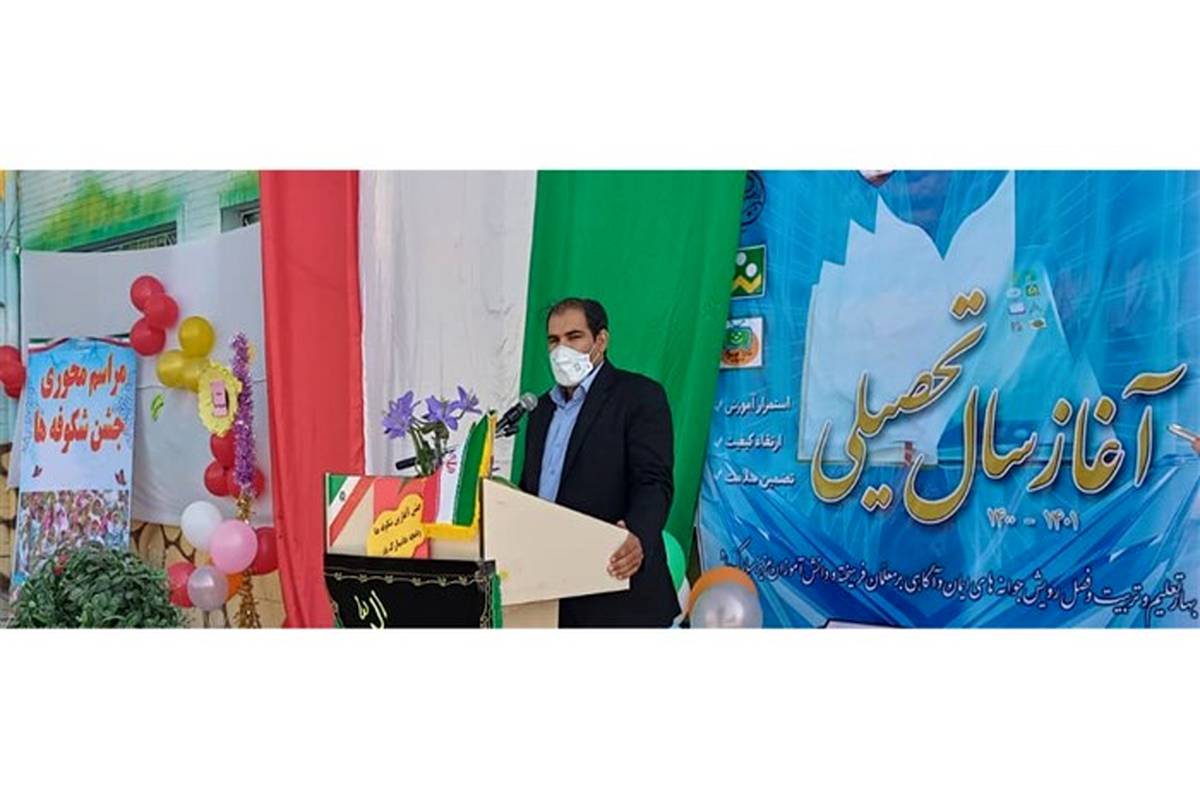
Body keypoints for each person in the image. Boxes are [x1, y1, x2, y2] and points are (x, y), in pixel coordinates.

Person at [518, 298, 680, 627]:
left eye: (574, 337)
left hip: (615, 585)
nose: (561, 349)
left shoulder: (638, 396)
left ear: (601, 340)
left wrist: (637, 532)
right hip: (548, 589)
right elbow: (531, 490)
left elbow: (653, 481)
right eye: (554, 340)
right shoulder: (540, 410)